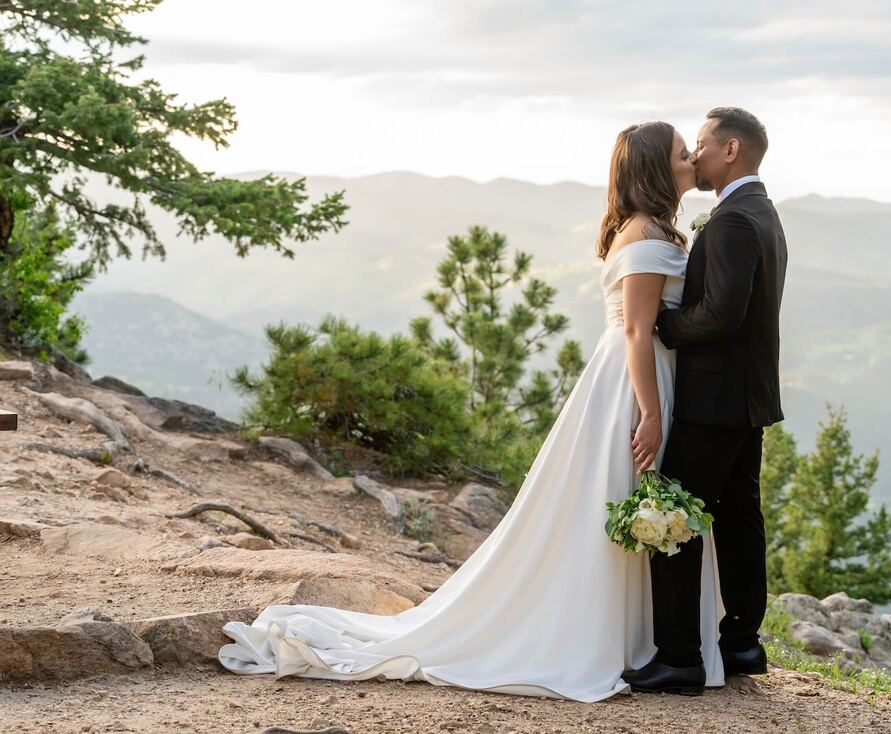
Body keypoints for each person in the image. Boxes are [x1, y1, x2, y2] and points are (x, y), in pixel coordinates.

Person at [217, 120, 728, 702]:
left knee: (621, 502)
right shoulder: (646, 238)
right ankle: (616, 639)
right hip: (634, 383)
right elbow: (638, 331)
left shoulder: (647, 230)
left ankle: (644, 640)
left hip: (636, 375)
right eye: (682, 154)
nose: (691, 160)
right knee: (624, 496)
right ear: (655, 170)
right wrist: (652, 412)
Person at [622, 107, 788, 695]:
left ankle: (678, 656)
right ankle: (742, 642)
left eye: (701, 145)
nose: (695, 156)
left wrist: (667, 327)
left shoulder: (733, 222)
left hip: (716, 401)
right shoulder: (761, 213)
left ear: (732, 149)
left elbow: (722, 313)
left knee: (673, 513)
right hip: (750, 398)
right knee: (741, 519)